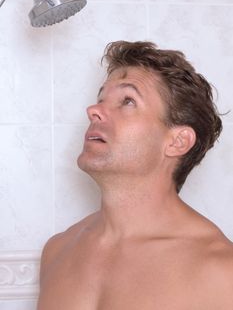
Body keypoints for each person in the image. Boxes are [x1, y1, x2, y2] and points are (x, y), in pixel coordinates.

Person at [36, 41, 233, 310]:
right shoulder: (58, 252)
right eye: (101, 99)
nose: (93, 110)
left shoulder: (221, 272)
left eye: (127, 101)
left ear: (177, 142)